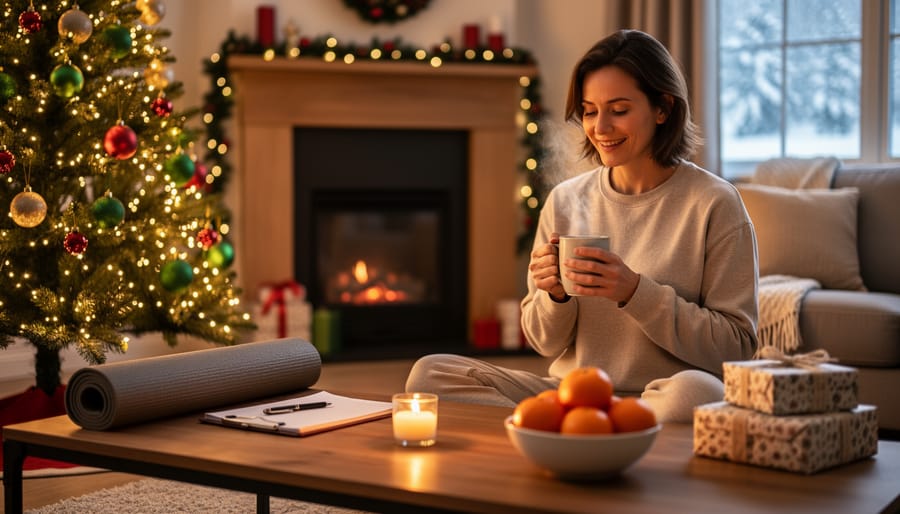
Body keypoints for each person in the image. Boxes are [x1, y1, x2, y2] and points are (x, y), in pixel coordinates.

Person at [405, 29, 758, 422]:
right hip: (575, 393)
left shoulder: (714, 202)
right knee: (431, 373)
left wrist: (635, 292)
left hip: (661, 397)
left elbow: (737, 347)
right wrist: (554, 295)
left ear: (663, 108)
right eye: (590, 110)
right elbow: (543, 343)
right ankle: (574, 427)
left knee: (697, 392)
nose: (600, 127)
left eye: (619, 110)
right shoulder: (566, 200)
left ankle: (561, 431)